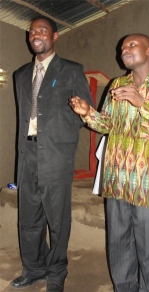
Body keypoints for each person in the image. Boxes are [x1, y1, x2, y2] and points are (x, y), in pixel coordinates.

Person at [70, 33, 149, 292]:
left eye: (132, 45)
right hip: (117, 178)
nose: (124, 50)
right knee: (119, 243)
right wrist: (88, 112)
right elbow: (107, 125)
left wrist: (141, 102)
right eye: (123, 47)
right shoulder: (117, 83)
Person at [11, 15, 93, 292]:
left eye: (42, 30)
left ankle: (56, 274)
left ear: (55, 36)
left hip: (56, 156)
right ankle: (33, 269)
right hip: (27, 155)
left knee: (57, 220)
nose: (36, 34)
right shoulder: (21, 75)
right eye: (32, 30)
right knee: (28, 218)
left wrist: (80, 114)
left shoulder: (70, 70)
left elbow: (87, 115)